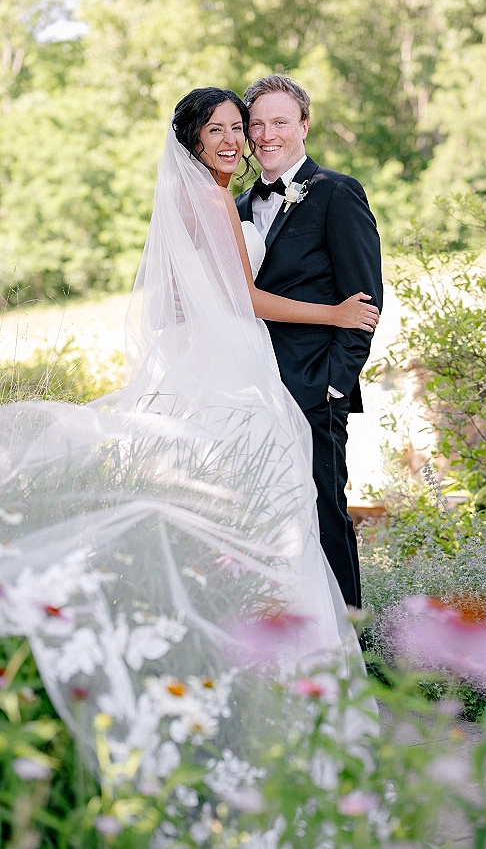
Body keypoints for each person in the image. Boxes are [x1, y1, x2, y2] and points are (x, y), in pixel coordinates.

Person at [0, 87, 377, 806]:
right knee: (276, 525)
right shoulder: (215, 201)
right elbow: (243, 297)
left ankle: (267, 675)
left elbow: (201, 300)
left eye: (250, 126)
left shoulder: (302, 195)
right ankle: (302, 690)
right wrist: (323, 313)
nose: (241, 138)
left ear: (300, 126)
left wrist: (332, 375)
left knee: (291, 520)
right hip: (242, 373)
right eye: (226, 129)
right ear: (195, 140)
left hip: (261, 375)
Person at [236, 75, 383, 611]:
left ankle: (355, 649)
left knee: (324, 515)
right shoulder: (236, 203)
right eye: (258, 124)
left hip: (315, 390)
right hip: (252, 388)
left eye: (280, 122)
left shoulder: (337, 193)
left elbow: (364, 303)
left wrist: (334, 387)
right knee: (267, 519)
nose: (267, 134)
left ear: (303, 126)